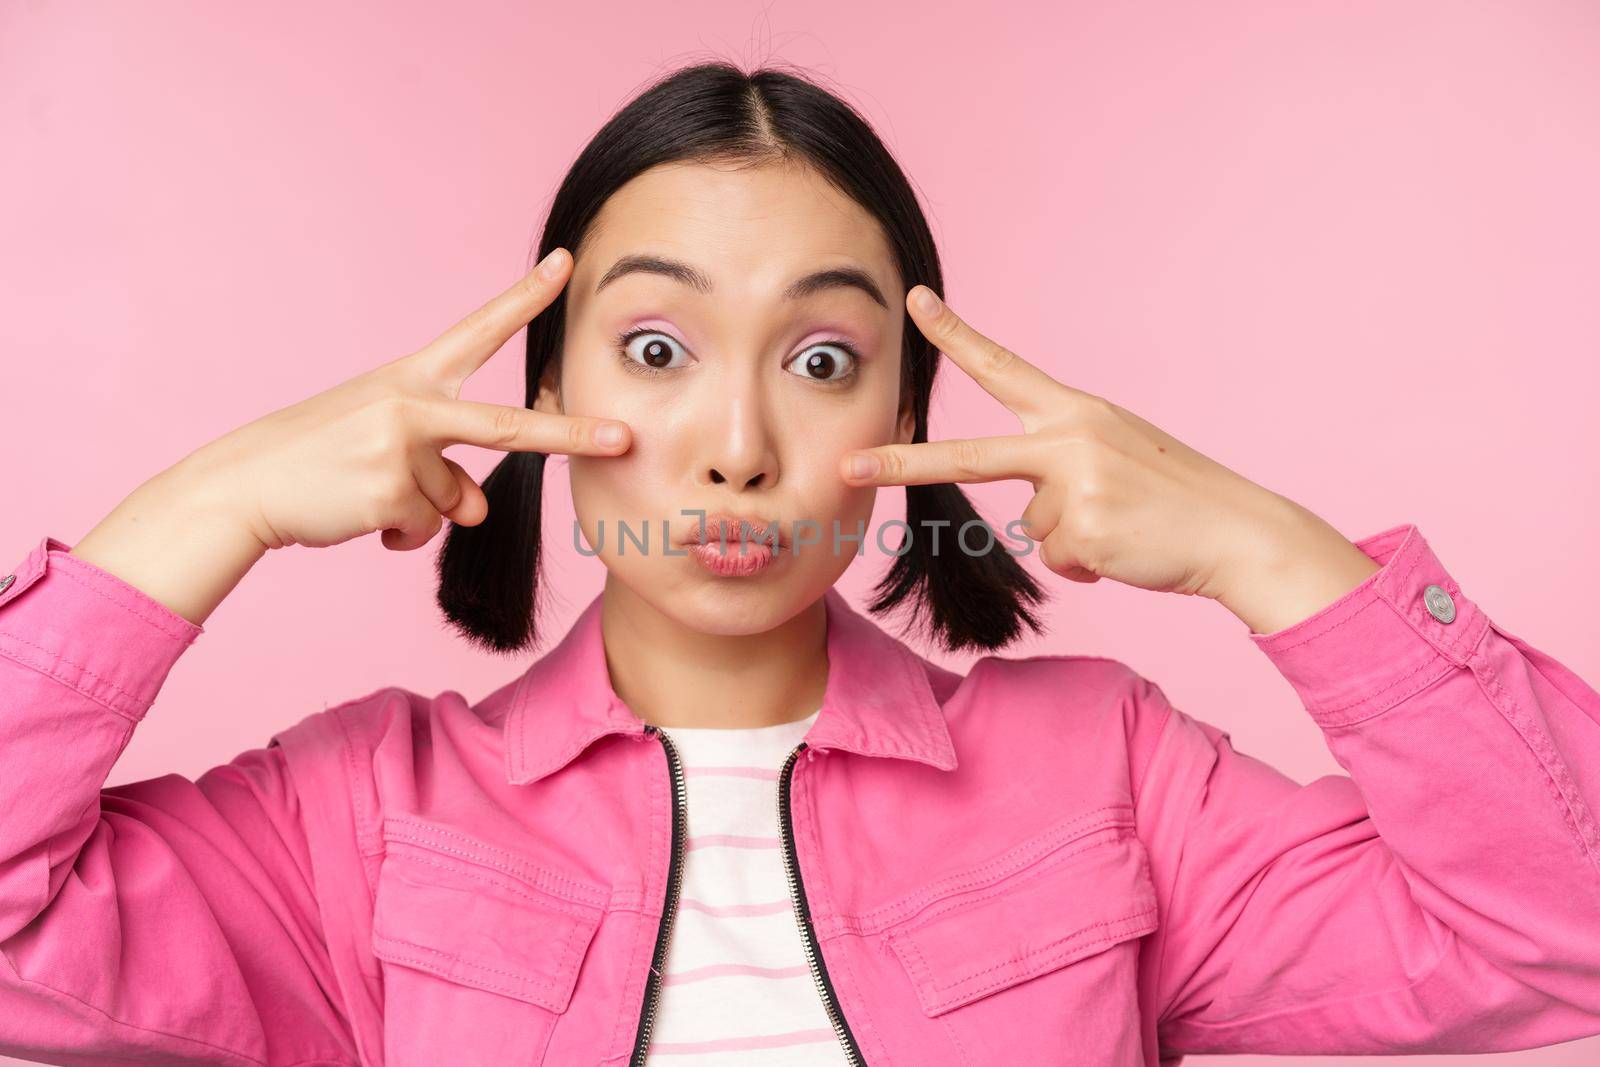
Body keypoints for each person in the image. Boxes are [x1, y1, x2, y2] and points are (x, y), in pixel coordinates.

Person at [2, 60, 1597, 1067]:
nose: (740, 446)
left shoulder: (1107, 771)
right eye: (652, 346)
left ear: (909, 415)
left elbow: (1568, 931)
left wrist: (1269, 550)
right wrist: (204, 507)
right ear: (545, 395)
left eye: (823, 361)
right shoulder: (361, 812)